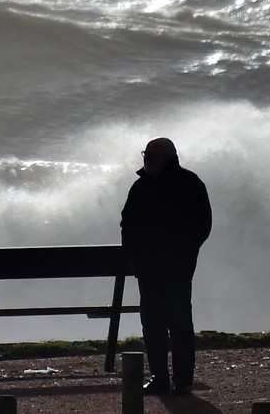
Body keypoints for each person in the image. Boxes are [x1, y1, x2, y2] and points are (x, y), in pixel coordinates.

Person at [120, 137, 212, 396]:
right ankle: (160, 377)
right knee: (152, 323)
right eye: (145, 154)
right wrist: (132, 254)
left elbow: (201, 226)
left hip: (177, 268)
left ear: (168, 157)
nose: (146, 159)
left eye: (152, 155)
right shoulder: (140, 187)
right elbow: (127, 223)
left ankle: (182, 380)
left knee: (179, 322)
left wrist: (182, 253)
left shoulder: (189, 184)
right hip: (148, 269)